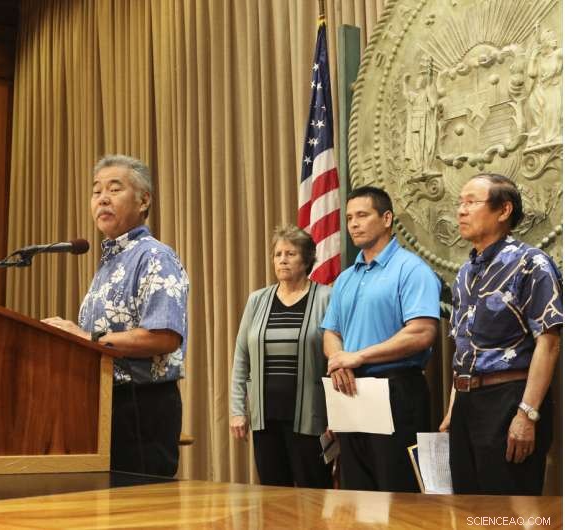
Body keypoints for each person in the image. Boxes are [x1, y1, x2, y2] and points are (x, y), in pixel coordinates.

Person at [43, 154, 189, 477]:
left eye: (114, 189)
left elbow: (164, 336)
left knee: (138, 514)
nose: (102, 198)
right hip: (99, 403)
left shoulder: (155, 256)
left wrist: (87, 339)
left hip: (141, 407)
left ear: (143, 200)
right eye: (96, 191)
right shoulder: (109, 262)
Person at [439, 174, 562, 495]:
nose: (461, 211)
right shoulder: (465, 273)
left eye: (471, 202)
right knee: (467, 509)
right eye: (460, 203)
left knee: (507, 509)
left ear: (503, 210)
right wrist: (455, 405)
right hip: (466, 403)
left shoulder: (531, 263)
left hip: (509, 400)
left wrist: (528, 414)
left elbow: (549, 343)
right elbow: (463, 349)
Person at [321, 186, 441, 492]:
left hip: (397, 389)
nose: (354, 224)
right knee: (356, 494)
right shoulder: (345, 278)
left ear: (386, 218)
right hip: (349, 389)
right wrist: (339, 362)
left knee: (398, 493)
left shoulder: (411, 269)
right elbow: (331, 333)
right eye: (349, 218)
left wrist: (359, 357)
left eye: (362, 215)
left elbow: (422, 332)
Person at [229, 225, 332, 488]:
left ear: (307, 260)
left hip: (311, 418)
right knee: (273, 499)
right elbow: (242, 359)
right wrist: (237, 411)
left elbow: (335, 360)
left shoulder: (326, 298)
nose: (282, 260)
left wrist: (337, 418)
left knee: (314, 496)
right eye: (278, 254)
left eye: (291, 253)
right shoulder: (257, 300)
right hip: (266, 417)